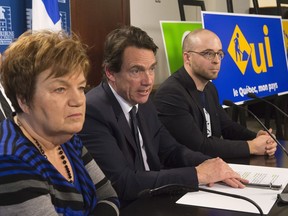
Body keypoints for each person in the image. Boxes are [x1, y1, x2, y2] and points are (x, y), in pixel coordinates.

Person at [79, 26, 247, 206]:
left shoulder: (143, 102)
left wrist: (214, 165)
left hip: (156, 198)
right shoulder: (93, 111)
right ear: (110, 73)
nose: (148, 81)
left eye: (151, 69)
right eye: (136, 70)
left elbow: (172, 150)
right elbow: (122, 183)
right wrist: (198, 174)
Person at [0, 30, 119, 215]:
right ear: (23, 99)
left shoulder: (67, 137)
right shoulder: (11, 162)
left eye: (80, 87)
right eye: (60, 89)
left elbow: (109, 197)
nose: (78, 100)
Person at [153, 29, 277, 159]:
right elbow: (199, 146)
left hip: (212, 165)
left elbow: (226, 126)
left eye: (219, 54)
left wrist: (258, 138)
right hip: (185, 172)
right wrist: (252, 146)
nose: (216, 60)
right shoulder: (171, 94)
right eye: (208, 54)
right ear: (187, 57)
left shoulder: (209, 88)